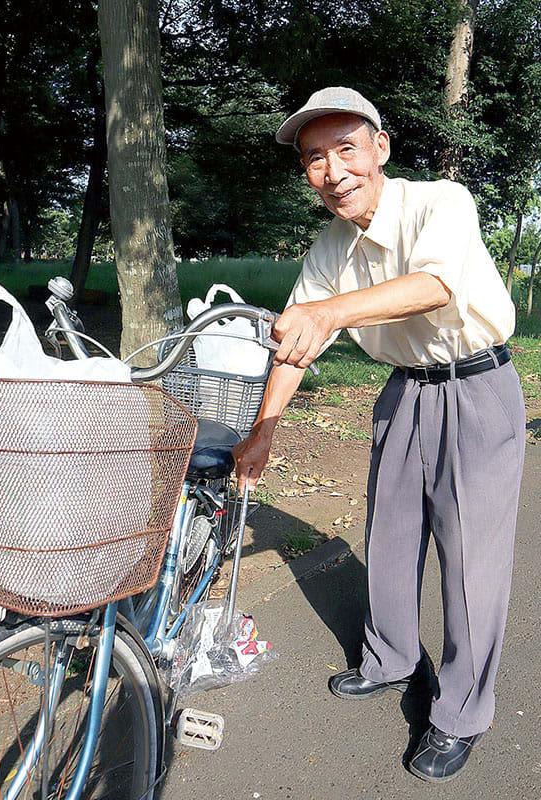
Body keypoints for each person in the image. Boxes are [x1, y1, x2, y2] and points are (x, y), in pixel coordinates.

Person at [232, 87, 526, 783]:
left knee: (469, 565)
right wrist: (263, 433)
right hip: (404, 392)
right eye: (313, 159)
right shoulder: (329, 245)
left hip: (476, 386)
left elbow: (433, 286)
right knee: (390, 539)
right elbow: (297, 338)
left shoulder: (440, 203)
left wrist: (329, 312)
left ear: (380, 149)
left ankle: (461, 714)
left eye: (345, 150)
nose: (332, 172)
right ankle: (391, 659)